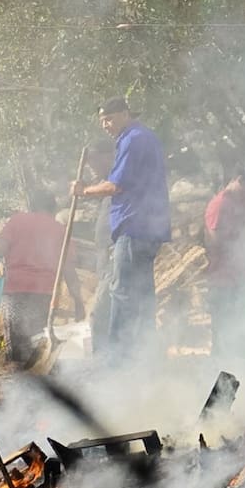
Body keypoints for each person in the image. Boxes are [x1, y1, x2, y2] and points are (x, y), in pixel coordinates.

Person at [72, 96, 171, 361]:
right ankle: (146, 353)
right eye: (102, 120)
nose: (105, 124)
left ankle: (116, 360)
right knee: (141, 293)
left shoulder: (133, 138)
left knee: (123, 294)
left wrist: (84, 190)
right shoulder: (141, 137)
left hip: (134, 225)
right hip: (148, 227)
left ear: (125, 113)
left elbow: (117, 185)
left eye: (109, 118)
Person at [0, 188, 83, 364]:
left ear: (32, 205)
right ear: (54, 207)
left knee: (17, 350)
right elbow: (69, 270)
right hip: (43, 295)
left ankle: (19, 385)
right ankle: (38, 385)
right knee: (38, 345)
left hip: (15, 292)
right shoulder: (60, 230)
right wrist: (78, 302)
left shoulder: (17, 221)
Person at [203, 162, 245, 364]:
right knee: (228, 347)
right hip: (226, 286)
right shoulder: (220, 205)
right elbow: (216, 243)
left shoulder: (243, 204)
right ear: (240, 181)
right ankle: (222, 394)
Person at [85, 140, 116, 355]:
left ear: (108, 156)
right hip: (105, 258)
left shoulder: (116, 182)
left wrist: (84, 191)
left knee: (101, 312)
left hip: (115, 257)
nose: (91, 168)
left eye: (93, 162)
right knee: (105, 312)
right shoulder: (106, 184)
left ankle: (102, 362)